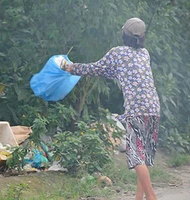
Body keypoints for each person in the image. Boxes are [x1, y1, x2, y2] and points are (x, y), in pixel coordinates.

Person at [64, 17, 160, 200]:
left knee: (136, 157)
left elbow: (96, 68)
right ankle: (139, 198)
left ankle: (152, 197)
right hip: (154, 108)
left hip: (137, 110)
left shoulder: (117, 53)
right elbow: (115, 72)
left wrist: (71, 68)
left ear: (124, 34)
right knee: (144, 157)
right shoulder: (144, 54)